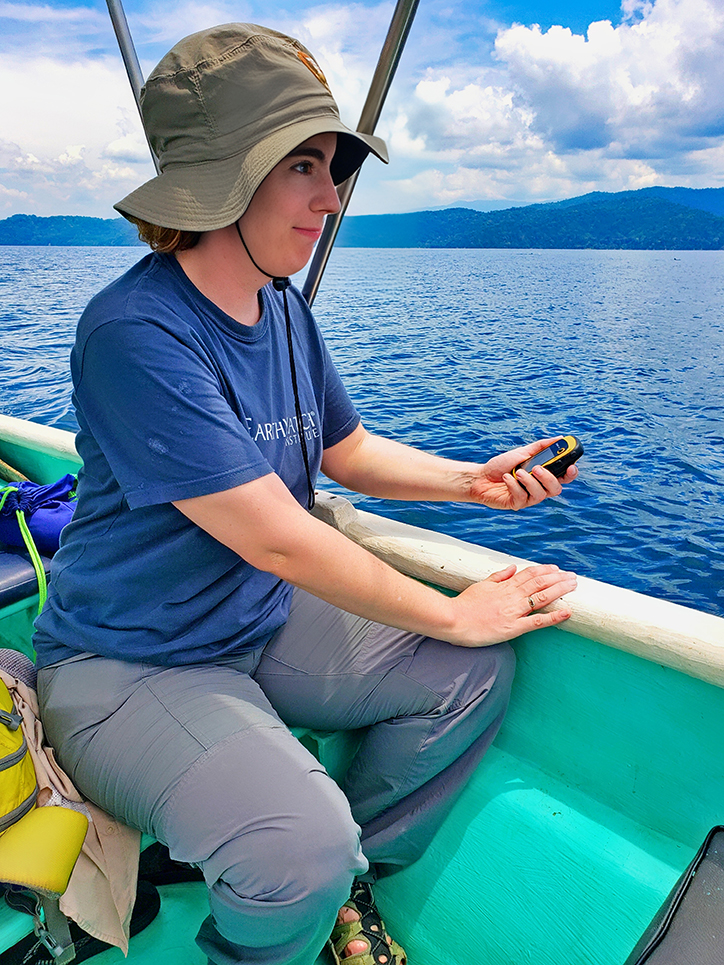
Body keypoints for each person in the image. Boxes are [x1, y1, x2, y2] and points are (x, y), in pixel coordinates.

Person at [34, 23, 578, 965]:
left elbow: (346, 448)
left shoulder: (280, 302)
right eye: (302, 166)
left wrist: (474, 482)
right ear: (224, 177)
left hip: (253, 622)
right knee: (301, 843)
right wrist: (456, 612)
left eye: (333, 168)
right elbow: (280, 538)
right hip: (125, 666)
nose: (331, 198)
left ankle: (340, 883)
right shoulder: (134, 331)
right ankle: (286, 897)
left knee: (468, 679)